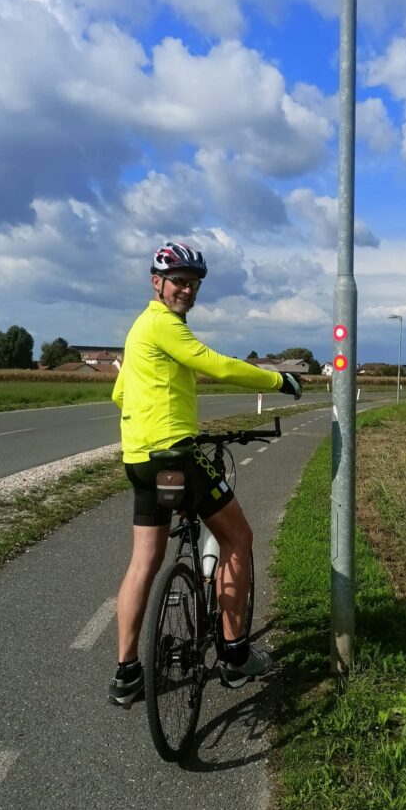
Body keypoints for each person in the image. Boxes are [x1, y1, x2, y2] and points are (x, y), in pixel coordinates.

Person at [108, 242, 301, 707]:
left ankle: (127, 674)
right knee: (239, 537)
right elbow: (215, 364)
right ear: (156, 283)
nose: (187, 290)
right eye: (179, 281)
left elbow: (119, 394)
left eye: (194, 283)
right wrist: (277, 379)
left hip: (139, 458)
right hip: (175, 456)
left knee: (144, 562)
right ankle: (235, 657)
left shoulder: (139, 330)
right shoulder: (163, 324)